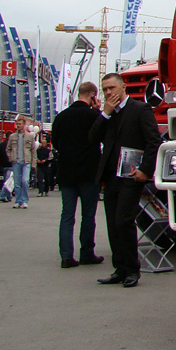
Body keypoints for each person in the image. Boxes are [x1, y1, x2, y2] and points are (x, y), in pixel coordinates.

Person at [90, 73, 161, 288]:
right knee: (112, 224)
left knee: (123, 220)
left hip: (131, 175)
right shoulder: (108, 114)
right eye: (104, 90)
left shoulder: (140, 110)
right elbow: (92, 138)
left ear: (123, 88)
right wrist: (105, 114)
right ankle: (119, 268)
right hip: (111, 176)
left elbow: (153, 141)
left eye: (112, 88)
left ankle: (132, 269)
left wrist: (145, 170)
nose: (108, 93)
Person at [52, 82, 105, 269]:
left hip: (66, 172)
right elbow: (102, 136)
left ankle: (66, 256)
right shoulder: (93, 116)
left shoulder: (61, 117)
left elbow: (56, 143)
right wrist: (98, 112)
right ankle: (86, 253)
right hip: (88, 173)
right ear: (92, 96)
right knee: (88, 215)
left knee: (67, 214)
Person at [6, 115, 37, 209]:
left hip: (26, 162)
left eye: (19, 124)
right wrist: (11, 157)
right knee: (17, 182)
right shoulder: (12, 136)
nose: (18, 125)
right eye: (17, 124)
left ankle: (25, 200)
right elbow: (8, 148)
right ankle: (18, 201)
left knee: (25, 181)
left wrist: (33, 163)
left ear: (24, 125)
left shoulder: (30, 136)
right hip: (16, 161)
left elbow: (33, 150)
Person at [0, 132, 13, 203]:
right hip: (11, 165)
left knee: (8, 180)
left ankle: (8, 196)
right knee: (8, 181)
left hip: (3, 165)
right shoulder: (12, 146)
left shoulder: (1, 145)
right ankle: (2, 196)